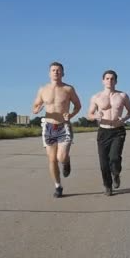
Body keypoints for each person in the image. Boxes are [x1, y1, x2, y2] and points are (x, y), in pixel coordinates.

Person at [32, 61, 82, 198]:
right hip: (48, 127)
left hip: (63, 126)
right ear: (49, 73)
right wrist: (38, 109)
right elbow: (35, 107)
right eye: (53, 70)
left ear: (63, 73)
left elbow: (78, 105)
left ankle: (66, 162)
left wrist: (71, 115)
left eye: (58, 70)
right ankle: (58, 186)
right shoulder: (43, 90)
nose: (56, 72)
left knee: (61, 157)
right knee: (52, 160)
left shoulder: (68, 89)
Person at [87, 70, 130, 196]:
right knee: (103, 163)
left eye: (112, 78)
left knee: (114, 157)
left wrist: (123, 119)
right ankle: (108, 186)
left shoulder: (122, 96)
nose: (109, 81)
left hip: (118, 130)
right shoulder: (96, 97)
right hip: (103, 131)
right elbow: (89, 115)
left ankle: (116, 173)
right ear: (103, 81)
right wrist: (95, 115)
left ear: (116, 81)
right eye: (107, 78)